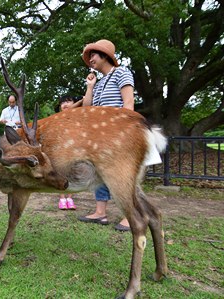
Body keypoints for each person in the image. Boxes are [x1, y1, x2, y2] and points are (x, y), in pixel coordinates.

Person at [77, 39, 133, 232]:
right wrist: (90, 86)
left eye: (93, 55)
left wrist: (122, 133)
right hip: (100, 136)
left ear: (105, 56)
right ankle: (100, 212)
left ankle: (130, 215)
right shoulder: (99, 83)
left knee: (121, 175)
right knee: (100, 174)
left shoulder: (122, 73)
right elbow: (87, 109)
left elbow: (128, 105)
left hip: (117, 133)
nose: (90, 59)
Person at [56, 95, 79, 210]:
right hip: (60, 149)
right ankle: (62, 198)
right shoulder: (57, 118)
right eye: (62, 103)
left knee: (73, 173)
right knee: (60, 173)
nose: (65, 104)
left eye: (68, 101)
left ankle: (70, 198)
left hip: (75, 149)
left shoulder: (79, 117)